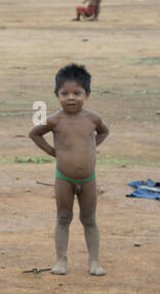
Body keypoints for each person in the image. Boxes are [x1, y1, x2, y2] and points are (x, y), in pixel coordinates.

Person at [28, 64, 110, 276]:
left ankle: (94, 261)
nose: (71, 98)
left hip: (89, 178)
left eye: (77, 93)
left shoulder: (93, 119)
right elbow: (34, 134)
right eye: (65, 93)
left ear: (87, 94)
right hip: (63, 178)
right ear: (57, 95)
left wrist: (91, 147)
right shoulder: (55, 120)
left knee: (89, 219)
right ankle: (60, 261)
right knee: (63, 218)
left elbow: (104, 132)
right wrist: (53, 152)